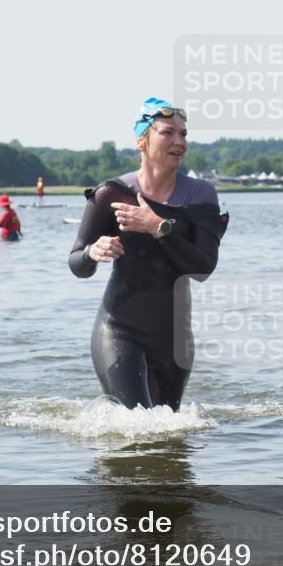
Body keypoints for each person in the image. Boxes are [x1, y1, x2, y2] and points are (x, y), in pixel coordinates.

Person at [68, 98, 228, 412]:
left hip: (174, 339)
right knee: (136, 424)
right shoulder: (111, 194)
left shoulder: (201, 196)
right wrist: (91, 252)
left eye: (183, 134)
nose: (179, 142)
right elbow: (77, 264)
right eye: (168, 133)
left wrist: (158, 227)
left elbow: (203, 268)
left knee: (168, 433)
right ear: (142, 141)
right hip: (119, 329)